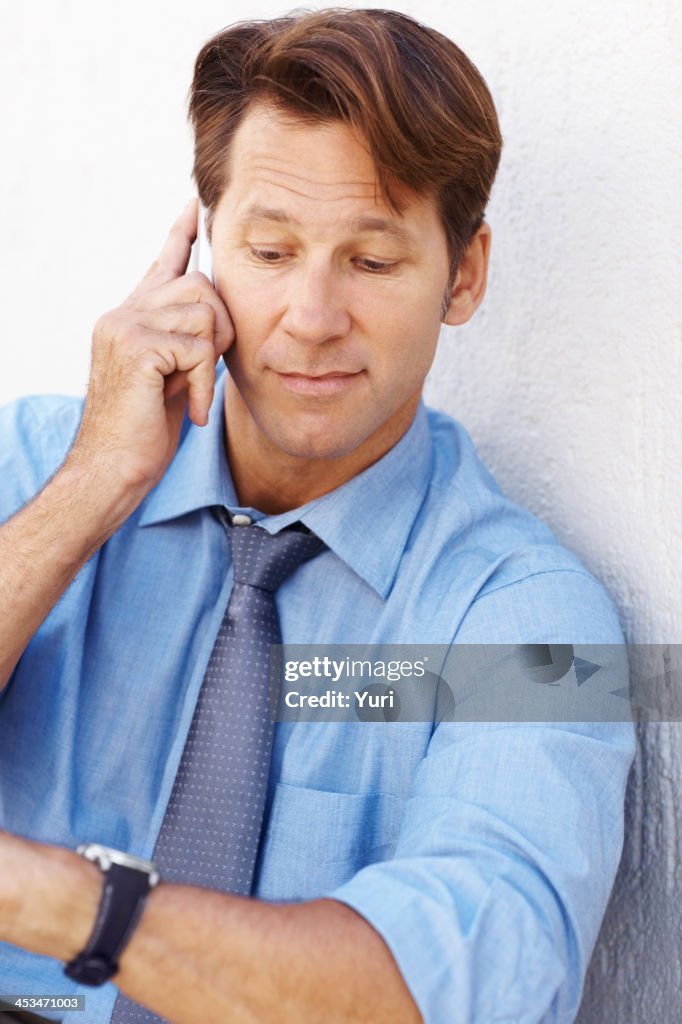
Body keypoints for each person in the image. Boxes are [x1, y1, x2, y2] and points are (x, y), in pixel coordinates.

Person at [0, 9, 634, 1023]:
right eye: (268, 249)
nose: (312, 315)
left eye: (372, 263)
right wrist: (91, 491)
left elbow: (478, 989)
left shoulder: (524, 622)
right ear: (203, 248)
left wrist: (68, 903)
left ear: (462, 274)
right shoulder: (32, 466)